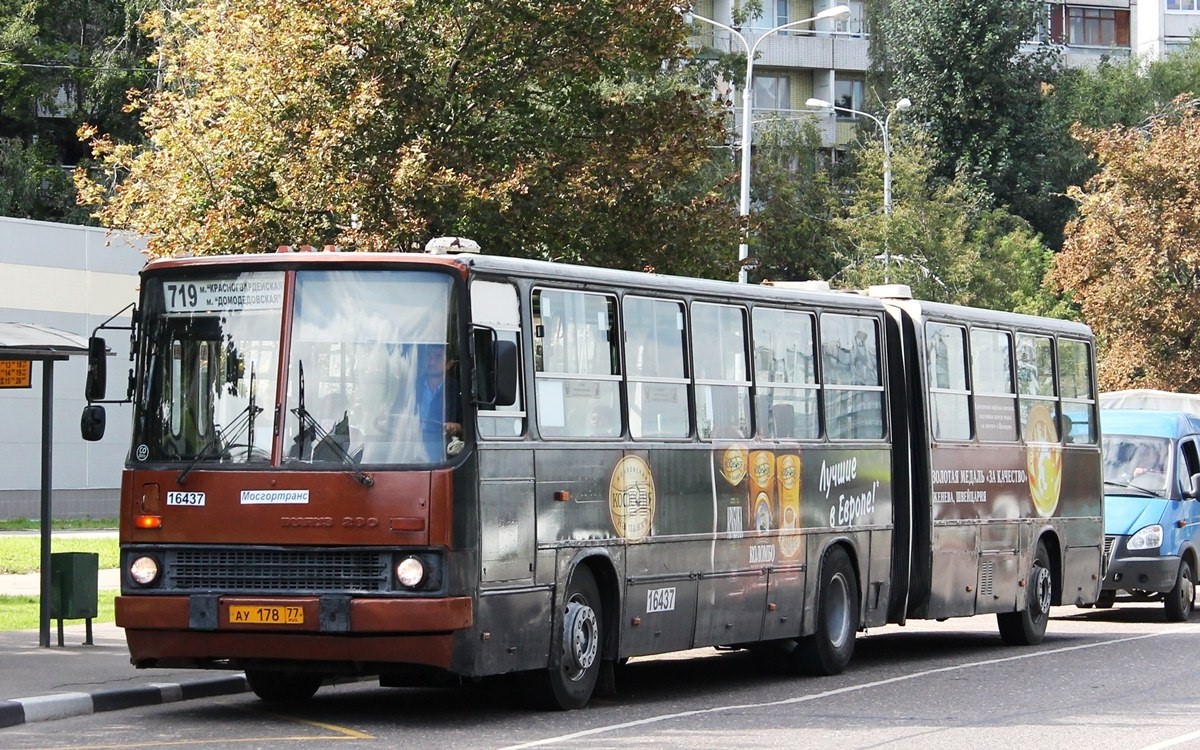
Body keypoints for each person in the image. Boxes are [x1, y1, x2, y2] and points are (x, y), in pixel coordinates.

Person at [417, 345, 462, 460]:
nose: (431, 362)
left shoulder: (458, 391)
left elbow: (469, 426)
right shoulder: (412, 387)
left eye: (438, 357)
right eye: (429, 356)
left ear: (449, 364)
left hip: (442, 450)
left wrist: (455, 426)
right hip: (411, 445)